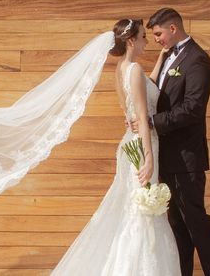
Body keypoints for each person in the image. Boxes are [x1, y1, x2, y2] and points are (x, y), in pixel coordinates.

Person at [50, 17, 180, 275]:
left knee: (133, 209)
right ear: (131, 40)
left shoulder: (122, 69)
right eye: (143, 36)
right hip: (141, 147)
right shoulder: (134, 71)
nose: (147, 41)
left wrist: (161, 59)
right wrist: (150, 158)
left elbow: (146, 90)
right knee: (142, 212)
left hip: (129, 145)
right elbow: (142, 117)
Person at [130, 7, 210, 276]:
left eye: (159, 33)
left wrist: (151, 123)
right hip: (168, 157)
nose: (157, 39)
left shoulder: (197, 60)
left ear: (173, 28)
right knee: (178, 227)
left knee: (197, 223)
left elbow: (193, 108)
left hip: (187, 158)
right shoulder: (169, 58)